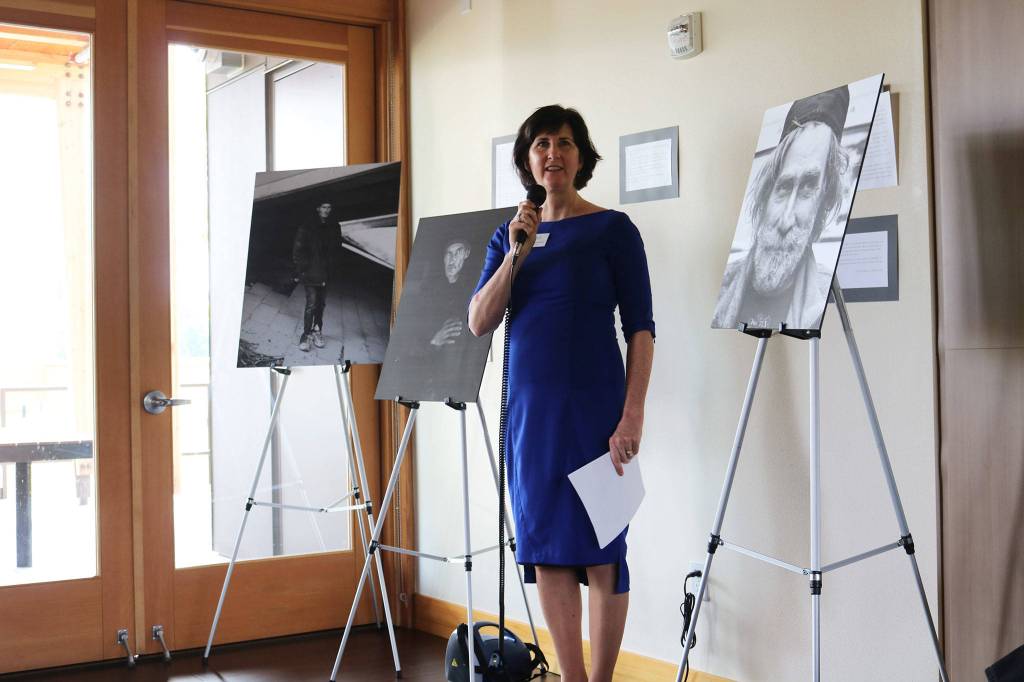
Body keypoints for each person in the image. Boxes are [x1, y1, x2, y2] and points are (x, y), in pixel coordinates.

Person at [468, 105, 655, 682]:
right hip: (532, 418)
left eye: (566, 143)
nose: (554, 153)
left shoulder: (613, 230)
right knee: (546, 547)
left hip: (597, 412)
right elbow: (478, 321)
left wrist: (632, 415)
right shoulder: (509, 236)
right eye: (543, 143)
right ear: (528, 159)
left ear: (581, 157)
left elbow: (641, 329)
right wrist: (517, 254)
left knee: (604, 552)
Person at [713, 85, 851, 330]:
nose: (786, 221)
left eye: (808, 188)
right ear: (765, 194)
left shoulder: (820, 297)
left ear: (823, 205)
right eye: (784, 187)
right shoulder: (726, 289)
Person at [292, 201, 334, 351]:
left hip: (325, 273)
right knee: (311, 304)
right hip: (310, 272)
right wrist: (302, 270)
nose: (326, 210)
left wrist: (332, 267)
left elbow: (336, 249)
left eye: (329, 207)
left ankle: (317, 331)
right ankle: (306, 335)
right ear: (318, 208)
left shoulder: (334, 226)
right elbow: (298, 250)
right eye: (323, 207)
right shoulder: (307, 226)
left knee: (321, 304)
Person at [430, 238, 472, 349]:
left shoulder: (469, 290)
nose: (452, 259)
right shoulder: (429, 290)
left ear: (466, 254)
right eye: (449, 253)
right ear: (444, 258)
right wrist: (434, 341)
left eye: (458, 252)